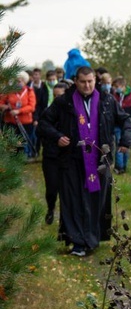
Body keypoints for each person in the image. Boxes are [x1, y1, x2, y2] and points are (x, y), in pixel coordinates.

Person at [37, 66, 131, 256]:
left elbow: (126, 120)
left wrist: (125, 141)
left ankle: (92, 237)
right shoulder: (65, 102)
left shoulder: (106, 101)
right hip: (71, 160)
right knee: (74, 201)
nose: (87, 85)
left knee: (95, 200)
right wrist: (57, 136)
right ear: (76, 81)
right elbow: (44, 123)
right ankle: (78, 241)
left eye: (90, 81)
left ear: (94, 81)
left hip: (100, 160)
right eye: (83, 82)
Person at [40, 82, 68, 225]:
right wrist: (55, 137)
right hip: (51, 157)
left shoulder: (72, 113)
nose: (57, 99)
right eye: (55, 96)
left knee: (67, 191)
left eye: (60, 96)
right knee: (51, 189)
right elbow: (41, 130)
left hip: (67, 158)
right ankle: (51, 208)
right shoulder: (48, 112)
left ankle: (66, 219)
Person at [0, 71, 38, 158]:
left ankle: (21, 159)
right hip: (10, 121)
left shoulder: (29, 91)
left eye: (19, 81)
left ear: (25, 82)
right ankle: (11, 160)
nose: (17, 83)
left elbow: (31, 107)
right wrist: (3, 106)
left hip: (25, 122)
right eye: (15, 81)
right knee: (11, 142)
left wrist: (19, 111)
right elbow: (1, 101)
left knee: (22, 143)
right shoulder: (9, 91)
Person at [112, 76, 131, 174]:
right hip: (116, 124)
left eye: (117, 86)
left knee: (126, 144)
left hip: (128, 124)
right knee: (118, 143)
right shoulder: (114, 95)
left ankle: (124, 166)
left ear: (123, 86)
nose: (116, 88)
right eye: (115, 87)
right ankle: (119, 167)